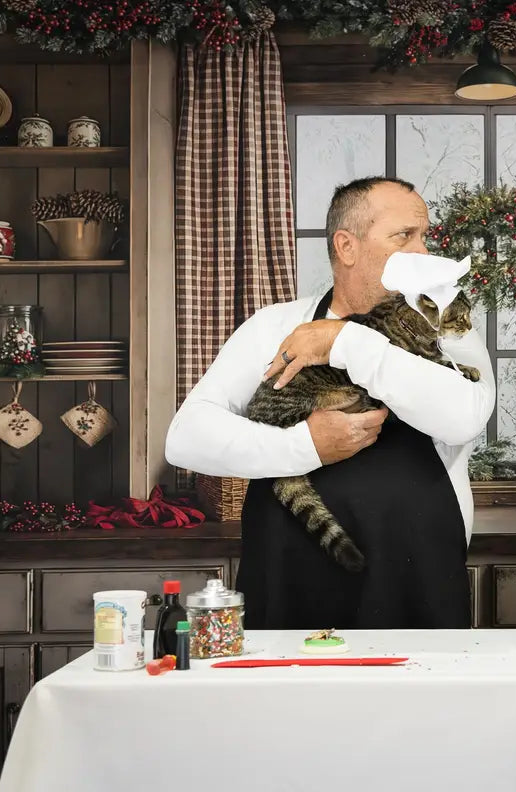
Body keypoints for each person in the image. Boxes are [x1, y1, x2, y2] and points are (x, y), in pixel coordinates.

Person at [165, 176, 495, 629]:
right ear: (347, 246)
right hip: (291, 576)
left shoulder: (447, 328)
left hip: (416, 578)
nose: (422, 251)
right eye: (404, 236)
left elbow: (465, 418)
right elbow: (185, 438)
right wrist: (306, 446)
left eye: (424, 236)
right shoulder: (273, 326)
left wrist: (343, 341)